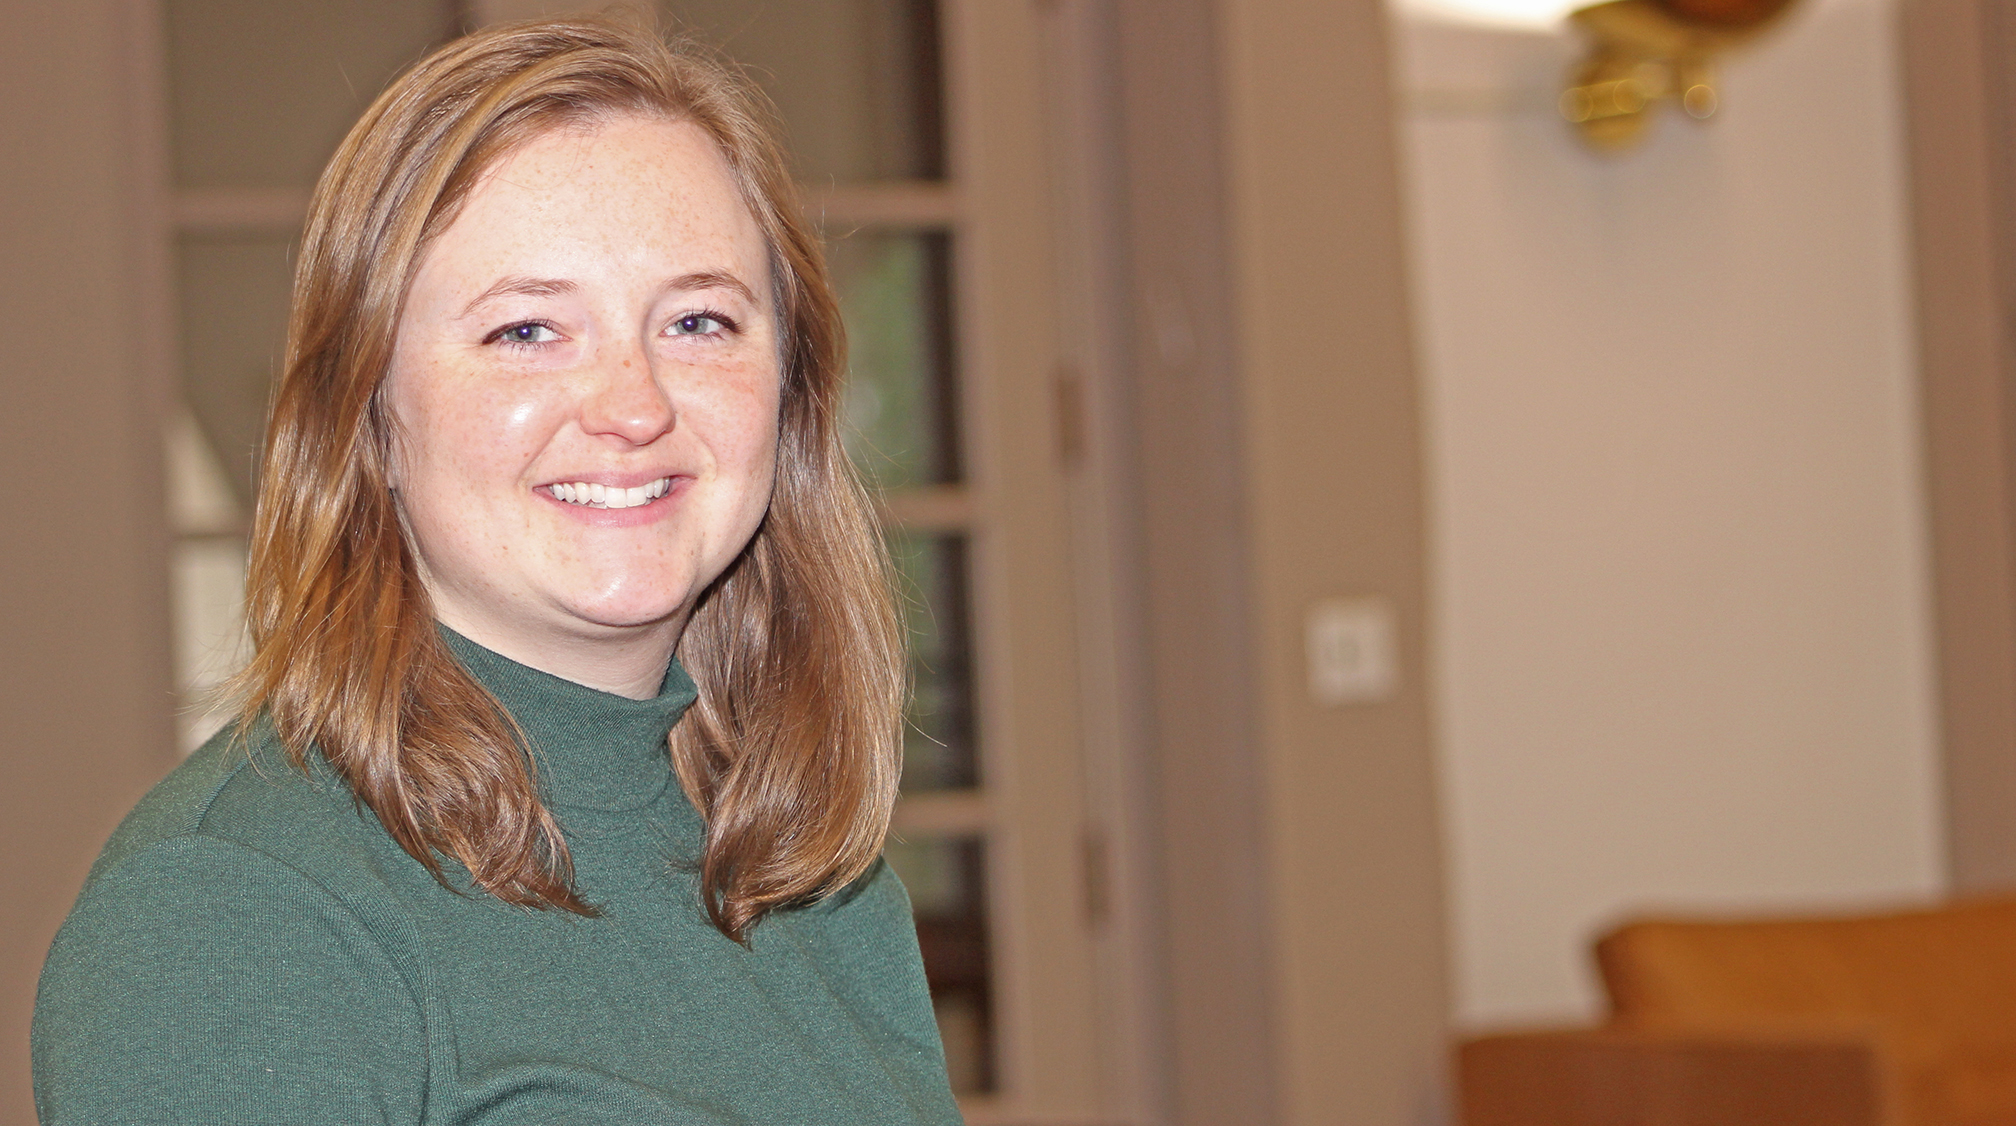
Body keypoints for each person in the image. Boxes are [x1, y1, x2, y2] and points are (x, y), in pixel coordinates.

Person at [31, 17, 960, 1126]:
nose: (633, 406)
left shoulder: (815, 881)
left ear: (789, 395)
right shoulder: (235, 912)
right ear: (367, 415)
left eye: (700, 320)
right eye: (526, 330)